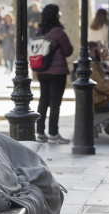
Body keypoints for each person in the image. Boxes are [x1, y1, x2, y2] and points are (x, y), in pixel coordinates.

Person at [34, 4, 74, 144]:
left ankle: (40, 132)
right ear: (56, 15)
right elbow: (68, 50)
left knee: (43, 101)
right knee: (55, 103)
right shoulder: (58, 32)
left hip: (42, 70)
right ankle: (53, 133)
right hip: (57, 72)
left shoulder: (40, 30)